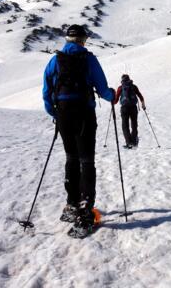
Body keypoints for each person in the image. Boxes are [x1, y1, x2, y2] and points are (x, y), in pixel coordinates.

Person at [42, 24, 114, 234]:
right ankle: (85, 209)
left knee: (71, 158)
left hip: (64, 116)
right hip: (84, 115)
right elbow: (102, 88)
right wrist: (112, 96)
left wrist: (55, 114)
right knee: (87, 161)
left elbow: (46, 92)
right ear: (83, 40)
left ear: (67, 39)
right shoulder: (88, 59)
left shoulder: (55, 60)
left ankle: (71, 204)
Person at [113, 74, 146, 149]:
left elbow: (116, 100)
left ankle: (128, 143)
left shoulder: (120, 88)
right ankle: (134, 142)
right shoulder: (134, 87)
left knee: (125, 125)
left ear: (122, 80)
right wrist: (143, 105)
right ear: (129, 79)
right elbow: (140, 96)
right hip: (133, 107)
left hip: (124, 108)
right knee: (134, 124)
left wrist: (112, 100)